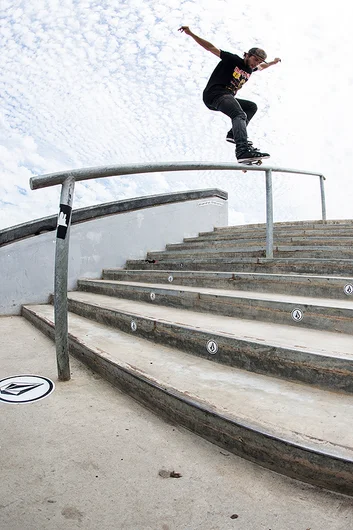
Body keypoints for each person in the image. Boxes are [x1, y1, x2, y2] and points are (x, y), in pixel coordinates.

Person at [178, 26, 281, 162]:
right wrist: (190, 33)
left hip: (226, 97)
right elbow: (210, 48)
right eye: (255, 60)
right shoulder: (233, 59)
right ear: (247, 55)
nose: (256, 64)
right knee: (239, 114)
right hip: (215, 94)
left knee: (251, 107)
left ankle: (234, 135)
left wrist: (273, 62)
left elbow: (263, 67)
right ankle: (242, 151)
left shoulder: (251, 69)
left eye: (259, 61)